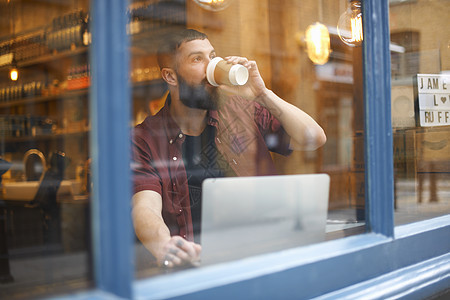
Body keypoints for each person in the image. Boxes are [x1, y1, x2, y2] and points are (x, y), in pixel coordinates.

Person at [131, 29, 326, 268]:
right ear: (170, 76)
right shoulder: (145, 137)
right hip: (200, 268)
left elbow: (314, 138)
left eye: (212, 56)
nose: (211, 65)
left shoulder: (242, 110)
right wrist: (166, 247)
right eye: (197, 59)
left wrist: (262, 94)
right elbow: (145, 208)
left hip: (265, 256)